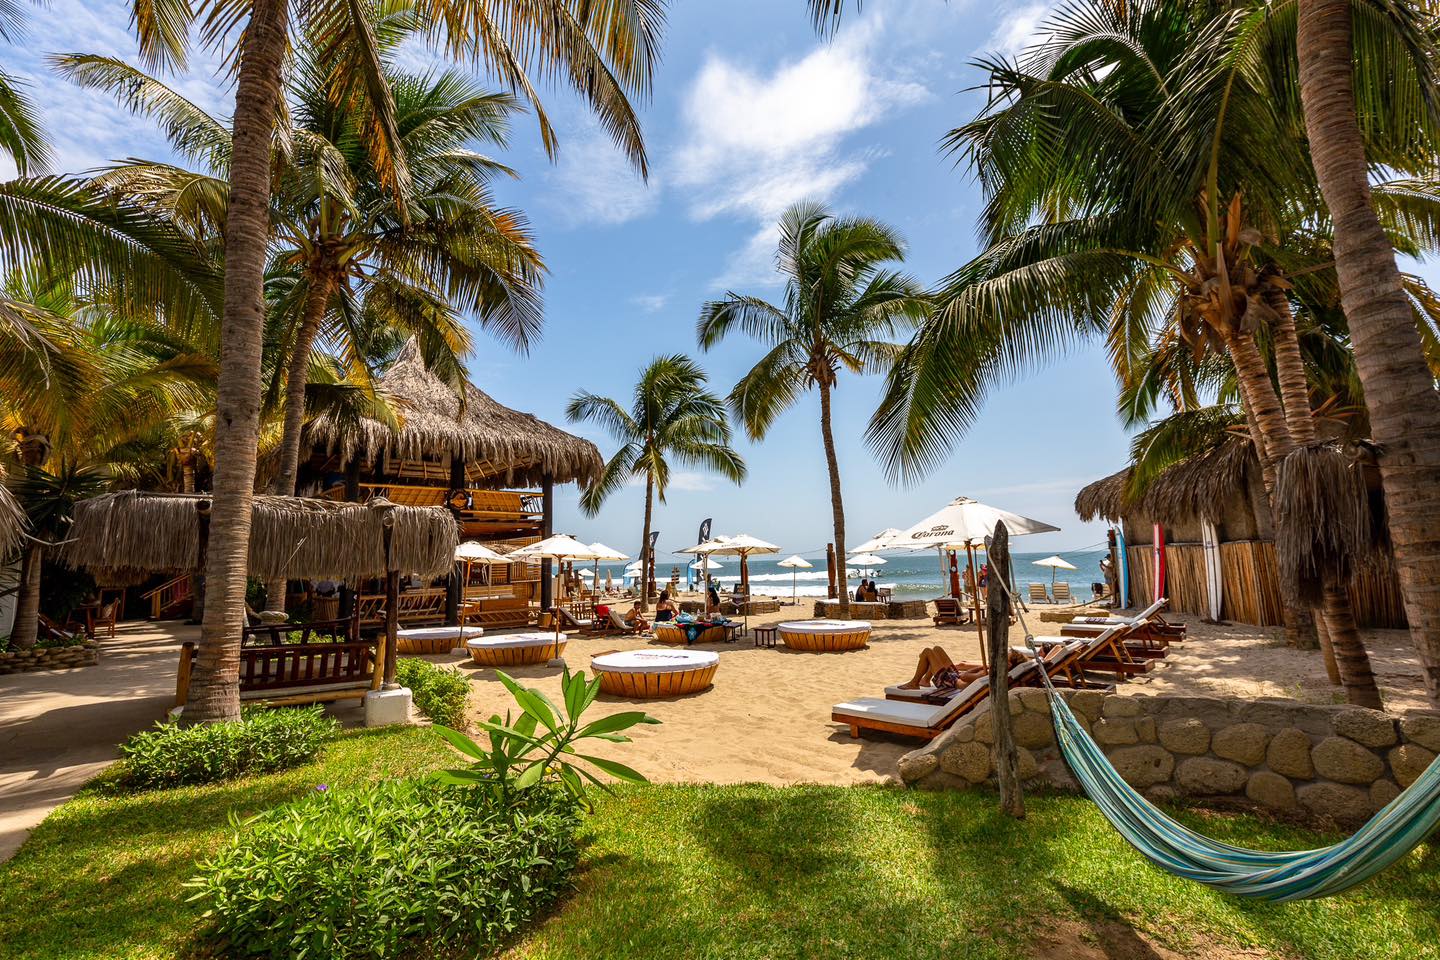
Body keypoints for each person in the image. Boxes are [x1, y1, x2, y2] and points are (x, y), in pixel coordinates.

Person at [898, 645, 1028, 691]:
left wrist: (982, 668)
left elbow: (964, 676)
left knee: (927, 652)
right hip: (954, 678)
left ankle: (914, 683)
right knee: (937, 649)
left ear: (1009, 665)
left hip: (949, 682)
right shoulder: (998, 674)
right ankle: (925, 680)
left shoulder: (986, 675)